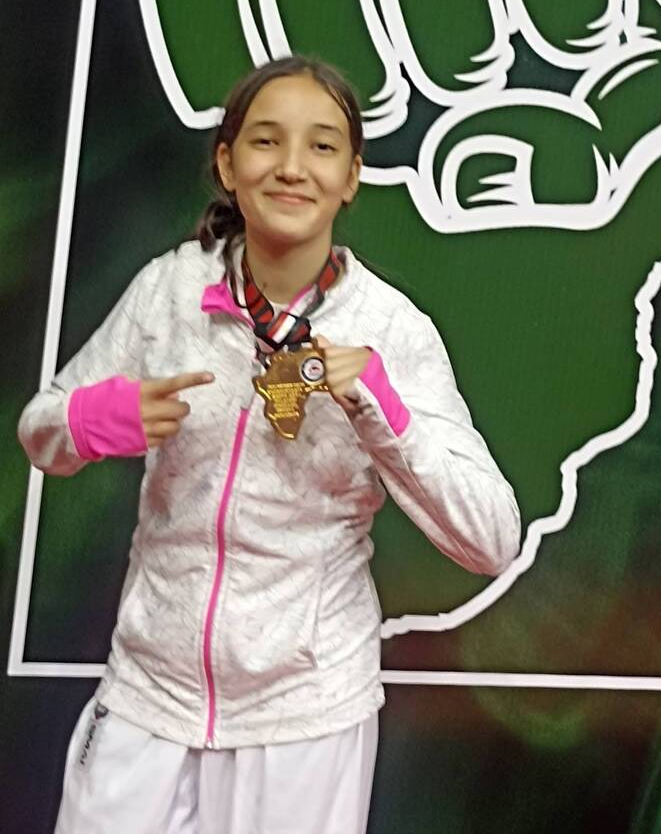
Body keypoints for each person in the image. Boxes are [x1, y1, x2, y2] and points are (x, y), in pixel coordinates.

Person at [18, 55, 521, 834]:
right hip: (149, 695)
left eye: (321, 146)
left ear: (351, 176)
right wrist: (99, 418)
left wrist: (381, 409)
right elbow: (40, 432)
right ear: (227, 163)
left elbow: (490, 538)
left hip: (303, 716)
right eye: (265, 141)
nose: (291, 167)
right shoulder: (168, 292)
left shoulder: (391, 330)